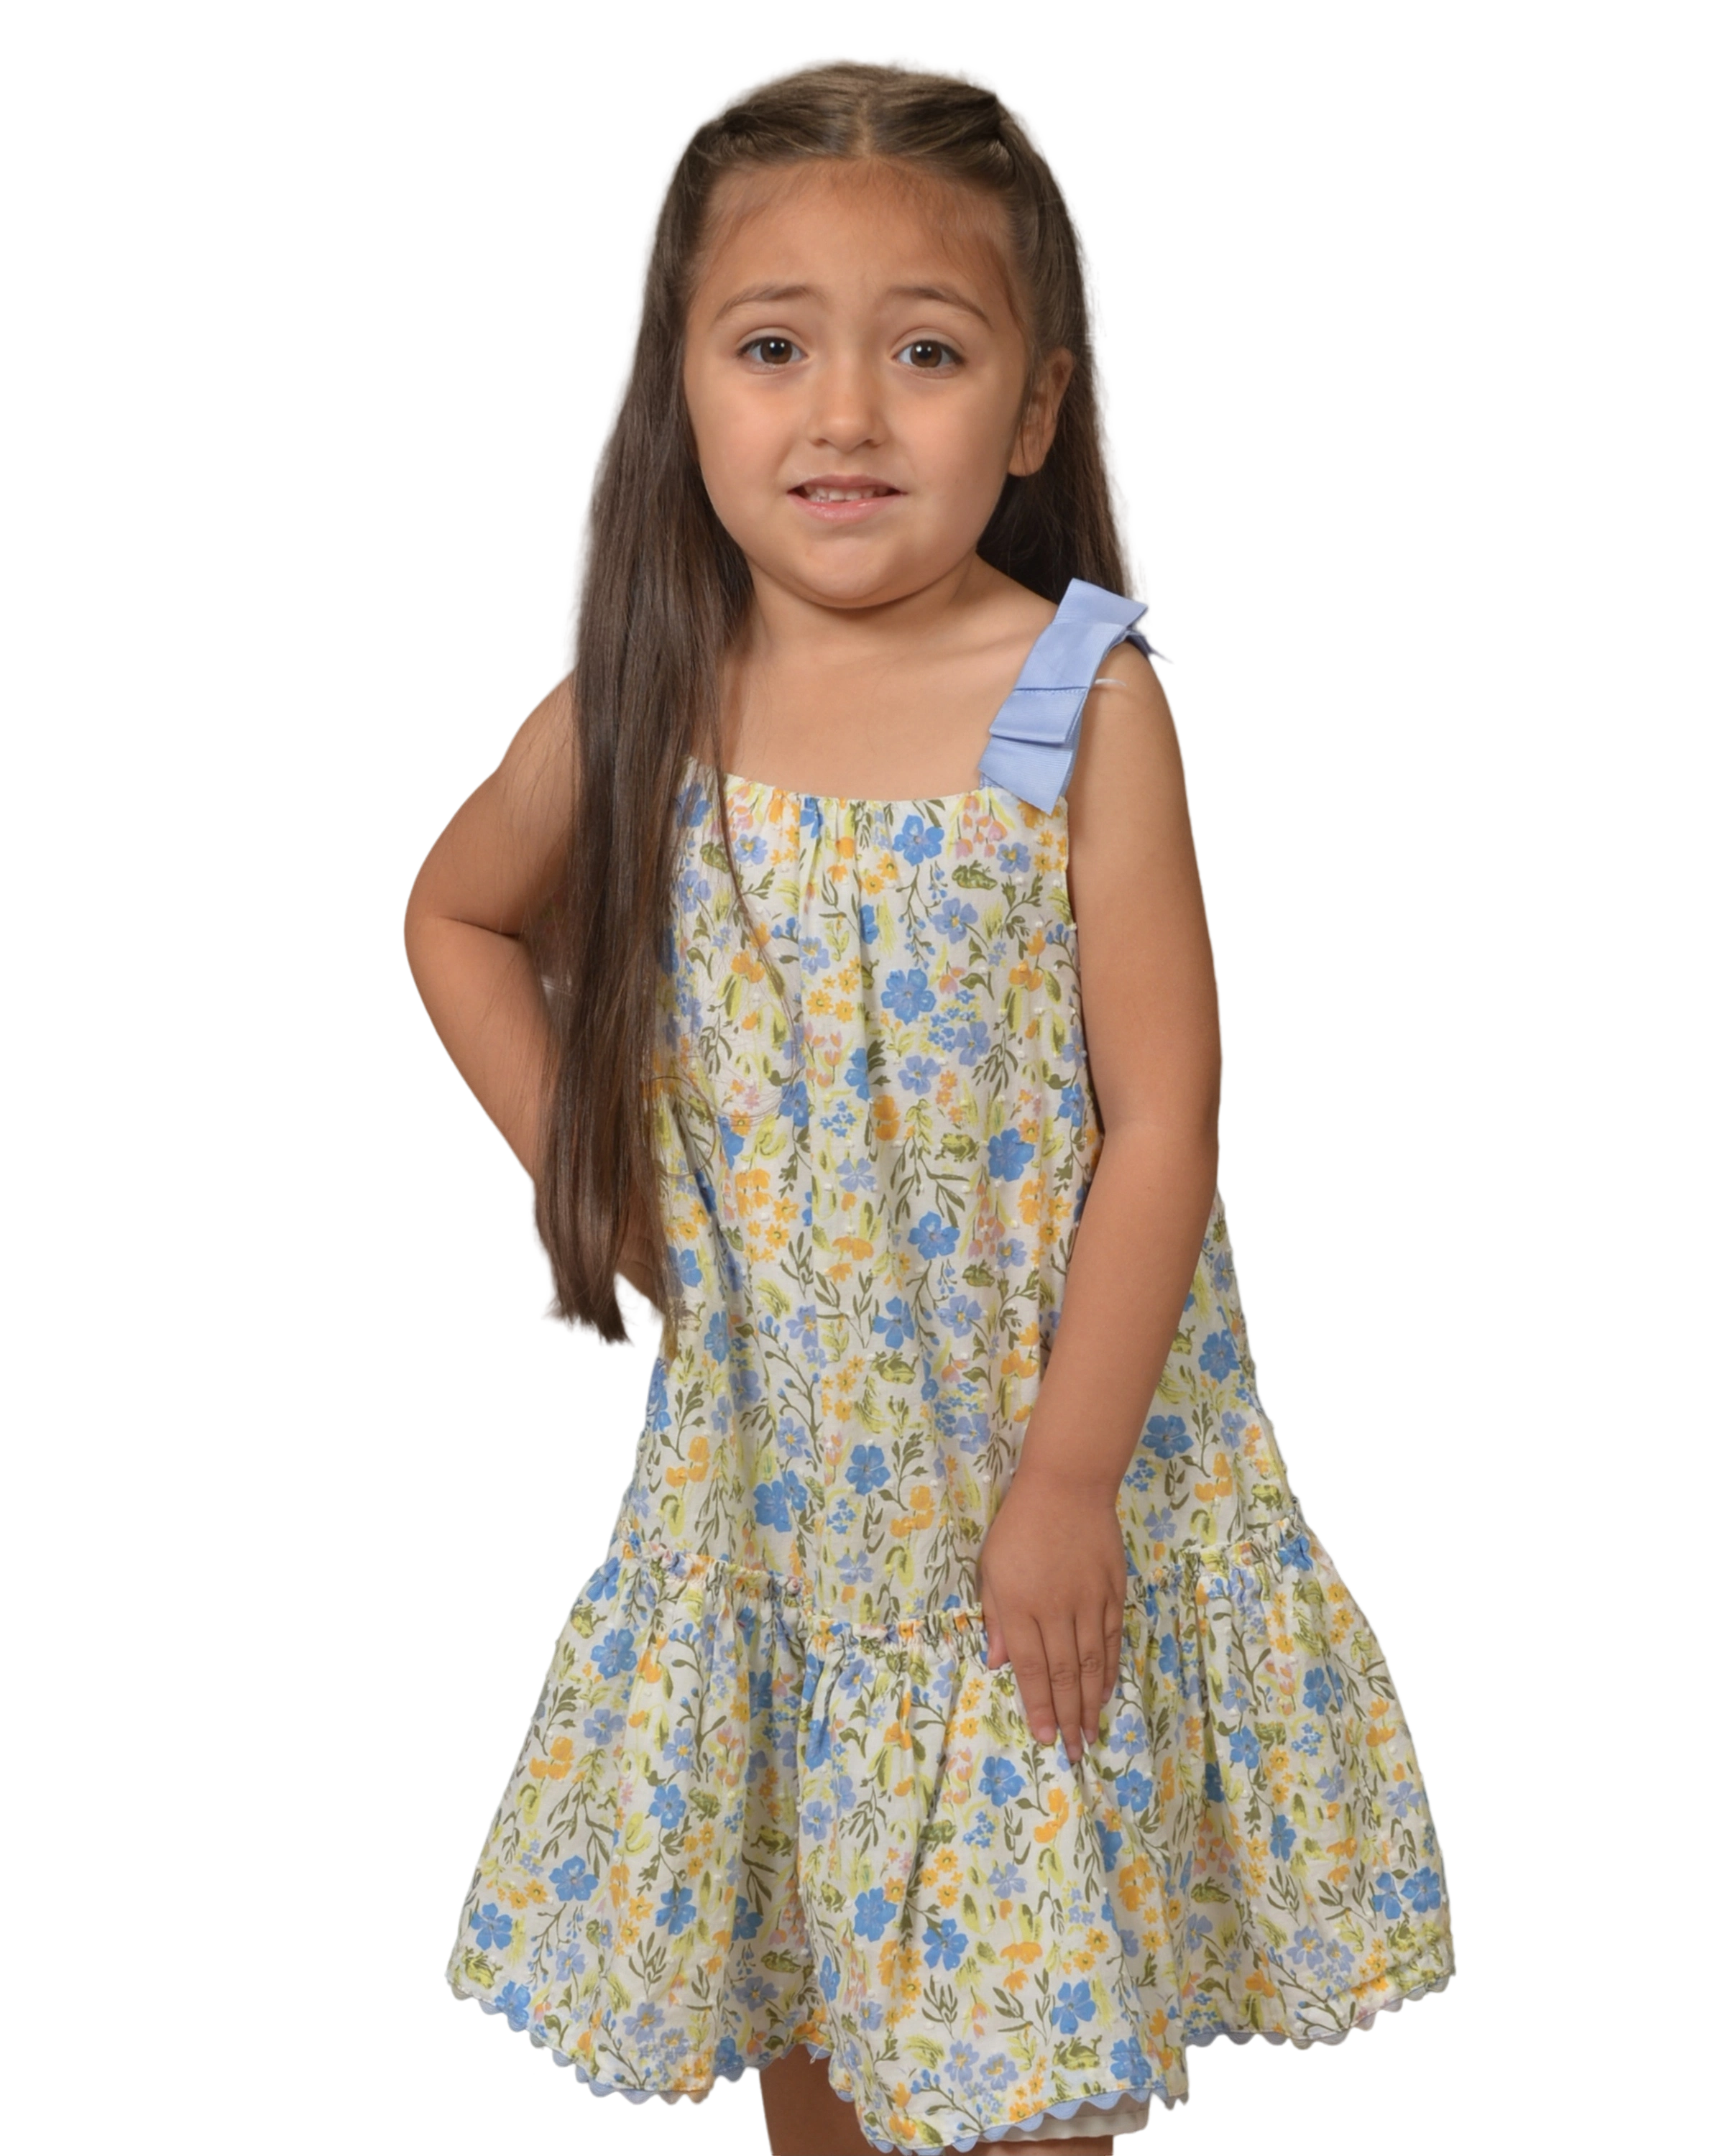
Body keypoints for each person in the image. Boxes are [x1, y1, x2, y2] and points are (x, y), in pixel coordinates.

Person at [404, 50, 1458, 2156]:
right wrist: (596, 1197)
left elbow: (1166, 1121)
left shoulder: (1078, 695)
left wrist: (1068, 1483)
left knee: (1023, 2055)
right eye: (773, 347)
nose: (847, 417)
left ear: (1035, 410)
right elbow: (456, 917)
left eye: (928, 352)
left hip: (1023, 1481)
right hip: (782, 1493)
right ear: (680, 386)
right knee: (814, 2008)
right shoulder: (652, 689)